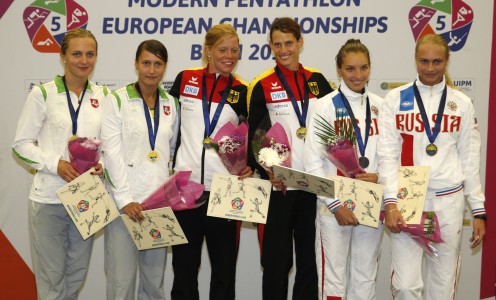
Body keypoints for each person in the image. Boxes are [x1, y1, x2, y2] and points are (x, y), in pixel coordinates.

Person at [378, 33, 486, 300]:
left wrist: (478, 209)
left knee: (442, 284)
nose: (429, 68)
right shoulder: (395, 99)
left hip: (448, 200)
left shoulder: (461, 103)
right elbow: (387, 155)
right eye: (423, 61)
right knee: (405, 286)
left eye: (437, 62)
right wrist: (390, 202)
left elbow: (470, 159)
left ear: (447, 61)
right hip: (408, 200)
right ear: (415, 60)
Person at [12, 28, 108, 300]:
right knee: (52, 277)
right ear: (62, 56)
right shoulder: (43, 94)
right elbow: (21, 145)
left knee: (76, 274)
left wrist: (103, 164)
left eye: (90, 54)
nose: (83, 60)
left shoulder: (103, 97)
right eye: (76, 54)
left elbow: (109, 145)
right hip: (49, 198)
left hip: (87, 197)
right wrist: (56, 164)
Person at [247, 17, 333, 300]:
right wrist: (266, 167)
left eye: (289, 43)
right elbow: (256, 135)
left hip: (313, 185)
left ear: (300, 43)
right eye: (278, 44)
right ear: (270, 46)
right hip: (279, 186)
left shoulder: (318, 82)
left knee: (310, 261)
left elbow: (334, 131)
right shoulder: (262, 84)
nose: (284, 50)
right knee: (276, 262)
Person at [168, 24, 252, 300]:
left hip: (224, 191)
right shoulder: (185, 79)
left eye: (235, 50)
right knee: (184, 269)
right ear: (207, 51)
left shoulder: (243, 91)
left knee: (224, 272)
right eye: (222, 49)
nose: (229, 56)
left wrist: (251, 164)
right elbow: (167, 126)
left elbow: (252, 135)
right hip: (186, 189)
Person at [303, 39, 384, 300]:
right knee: (333, 279)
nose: (357, 75)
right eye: (350, 69)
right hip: (333, 206)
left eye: (363, 68)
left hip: (370, 202)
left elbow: (389, 154)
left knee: (365, 276)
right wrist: (334, 204)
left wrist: (379, 176)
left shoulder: (382, 106)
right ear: (338, 69)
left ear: (370, 69)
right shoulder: (324, 106)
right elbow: (312, 162)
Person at [101, 39, 179, 300]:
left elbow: (169, 151)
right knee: (121, 284)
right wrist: (125, 200)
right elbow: (111, 154)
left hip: (157, 204)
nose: (151, 70)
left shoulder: (171, 104)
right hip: (126, 205)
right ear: (136, 64)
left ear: (165, 67)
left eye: (158, 64)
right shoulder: (117, 100)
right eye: (146, 63)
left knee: (154, 285)